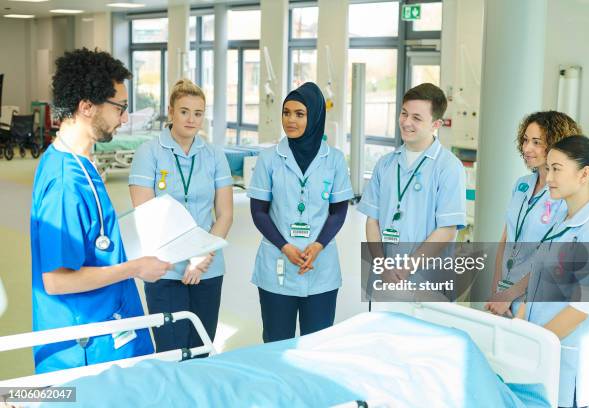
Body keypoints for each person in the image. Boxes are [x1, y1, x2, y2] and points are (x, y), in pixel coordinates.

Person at [30, 48, 170, 374]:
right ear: (87, 107)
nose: (124, 118)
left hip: (113, 322)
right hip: (87, 348)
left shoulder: (79, 162)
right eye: (120, 107)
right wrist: (135, 267)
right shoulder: (64, 182)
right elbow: (56, 281)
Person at [129, 79, 233, 352]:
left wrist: (202, 257)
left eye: (198, 113)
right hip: (164, 266)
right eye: (184, 111)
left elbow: (225, 214)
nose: (191, 119)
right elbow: (146, 214)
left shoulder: (214, 155)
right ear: (171, 111)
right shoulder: (148, 153)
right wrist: (185, 256)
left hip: (207, 267)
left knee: (202, 347)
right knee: (171, 349)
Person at [247, 82, 354, 342]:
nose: (290, 120)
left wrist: (317, 246)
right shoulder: (269, 158)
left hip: (320, 264)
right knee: (276, 341)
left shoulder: (335, 159)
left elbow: (338, 211)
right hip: (278, 262)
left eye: (299, 114)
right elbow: (259, 211)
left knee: (317, 344)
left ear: (315, 116)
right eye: (286, 112)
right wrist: (285, 246)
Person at [518, 136, 589, 408]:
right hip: (541, 352)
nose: (548, 177)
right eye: (548, 168)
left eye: (557, 169)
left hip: (564, 358)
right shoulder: (560, 222)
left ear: (584, 174)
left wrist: (537, 344)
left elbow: (580, 309)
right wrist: (521, 326)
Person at [358, 83, 465, 291]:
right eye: (404, 113)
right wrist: (381, 266)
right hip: (384, 278)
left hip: (427, 281)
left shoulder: (449, 167)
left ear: (436, 124)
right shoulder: (386, 164)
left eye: (416, 118)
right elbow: (373, 220)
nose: (406, 122)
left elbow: (447, 230)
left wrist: (405, 270)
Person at [486, 112, 581, 317]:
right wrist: (496, 291)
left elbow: (551, 258)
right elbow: (505, 239)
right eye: (526, 140)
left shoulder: (563, 196)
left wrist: (510, 295)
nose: (527, 148)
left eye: (537, 142)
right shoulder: (521, 184)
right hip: (502, 297)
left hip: (533, 300)